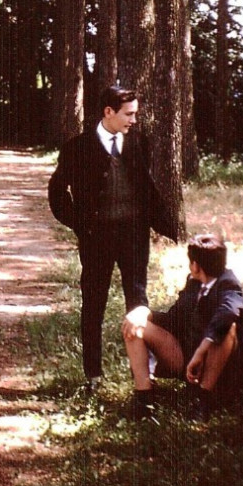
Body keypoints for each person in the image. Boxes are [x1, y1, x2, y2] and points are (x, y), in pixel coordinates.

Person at [48, 85, 178, 392]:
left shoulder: (140, 144)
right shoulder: (77, 148)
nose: (134, 120)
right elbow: (57, 193)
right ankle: (93, 376)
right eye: (128, 114)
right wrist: (80, 225)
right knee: (94, 304)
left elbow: (146, 188)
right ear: (108, 112)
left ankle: (144, 379)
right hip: (96, 239)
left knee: (138, 305)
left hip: (134, 237)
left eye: (135, 113)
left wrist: (159, 223)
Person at [121, 232, 243, 420]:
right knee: (135, 324)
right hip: (190, 361)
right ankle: (144, 399)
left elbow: (228, 314)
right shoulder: (194, 283)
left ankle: (203, 399)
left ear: (195, 265)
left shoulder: (229, 284)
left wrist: (202, 351)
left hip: (227, 372)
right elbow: (173, 319)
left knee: (226, 329)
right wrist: (145, 313)